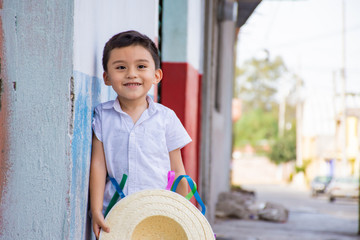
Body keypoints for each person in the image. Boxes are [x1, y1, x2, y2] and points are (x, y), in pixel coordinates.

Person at [89, 30, 191, 239]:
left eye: (141, 66)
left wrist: (184, 212)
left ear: (156, 76)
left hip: (157, 213)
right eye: (121, 67)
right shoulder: (102, 115)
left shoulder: (166, 118)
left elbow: (178, 169)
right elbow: (99, 165)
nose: (131, 74)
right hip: (117, 213)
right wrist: (96, 210)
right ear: (107, 78)